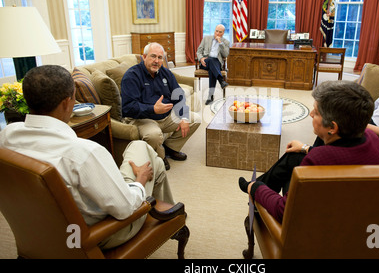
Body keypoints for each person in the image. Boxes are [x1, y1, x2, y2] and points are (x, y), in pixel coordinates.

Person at [0, 65, 174, 249]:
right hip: (100, 233)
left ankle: (166, 206)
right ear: (68, 103)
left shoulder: (7, 135)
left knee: (151, 158)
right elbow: (125, 209)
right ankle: (168, 211)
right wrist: (139, 180)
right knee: (142, 150)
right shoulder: (83, 153)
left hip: (39, 228)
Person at [238, 80, 379, 223]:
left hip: (325, 227)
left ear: (333, 127)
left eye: (316, 112)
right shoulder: (372, 138)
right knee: (295, 156)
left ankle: (255, 188)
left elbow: (283, 212)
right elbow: (339, 158)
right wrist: (304, 148)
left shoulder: (319, 158)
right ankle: (260, 184)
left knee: (263, 186)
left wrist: (257, 189)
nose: (310, 114)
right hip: (358, 210)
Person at [121, 42, 200, 170]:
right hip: (143, 119)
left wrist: (184, 117)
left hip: (166, 117)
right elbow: (128, 107)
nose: (156, 61)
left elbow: (179, 95)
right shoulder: (132, 76)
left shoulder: (165, 73)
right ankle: (160, 156)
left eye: (160, 57)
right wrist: (153, 109)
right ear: (144, 57)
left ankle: (171, 148)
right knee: (153, 135)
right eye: (153, 56)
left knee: (194, 119)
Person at [196, 24, 230, 105]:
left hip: (216, 63)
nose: (217, 33)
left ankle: (210, 97)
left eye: (220, 32)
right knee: (210, 60)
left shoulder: (226, 42)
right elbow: (199, 51)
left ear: (223, 33)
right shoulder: (206, 38)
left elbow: (225, 54)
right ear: (214, 30)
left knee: (212, 68)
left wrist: (220, 43)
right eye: (216, 31)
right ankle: (221, 81)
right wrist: (201, 58)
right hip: (205, 63)